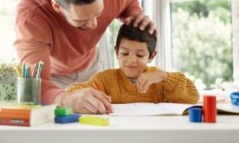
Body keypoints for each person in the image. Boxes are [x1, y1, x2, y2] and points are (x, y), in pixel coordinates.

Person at [14, 0, 156, 114]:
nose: (94, 25)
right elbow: (34, 84)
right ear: (57, 7)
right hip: (55, 79)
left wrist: (136, 17)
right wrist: (67, 99)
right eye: (81, 21)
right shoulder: (31, 16)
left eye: (98, 13)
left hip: (91, 64)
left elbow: (128, 4)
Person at [66, 23, 199, 105]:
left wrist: (165, 77)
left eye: (140, 55)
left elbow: (193, 97)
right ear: (116, 52)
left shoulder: (158, 79)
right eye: (124, 53)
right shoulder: (105, 80)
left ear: (151, 56)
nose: (131, 60)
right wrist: (86, 95)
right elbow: (71, 92)